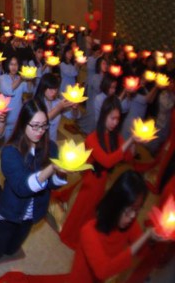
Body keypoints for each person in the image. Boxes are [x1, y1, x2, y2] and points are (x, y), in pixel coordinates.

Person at [0, 170, 165, 283]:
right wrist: (145, 237)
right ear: (116, 205)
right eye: (129, 210)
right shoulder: (90, 230)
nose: (133, 216)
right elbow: (103, 270)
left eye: (137, 210)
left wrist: (153, 236)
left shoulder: (130, 224)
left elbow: (140, 252)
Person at [0, 99, 67, 260]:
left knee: (10, 250)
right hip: (10, 212)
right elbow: (22, 188)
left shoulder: (51, 148)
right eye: (35, 125)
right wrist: (51, 168)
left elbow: (52, 185)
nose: (40, 131)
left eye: (44, 125)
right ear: (23, 124)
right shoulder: (10, 151)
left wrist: (61, 174)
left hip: (31, 214)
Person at [59, 96, 139, 249]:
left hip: (103, 182)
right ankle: (70, 237)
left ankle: (82, 237)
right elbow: (107, 161)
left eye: (118, 119)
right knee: (81, 211)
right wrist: (129, 141)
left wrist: (134, 141)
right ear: (104, 116)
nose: (115, 123)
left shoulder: (116, 137)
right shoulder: (92, 138)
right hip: (91, 180)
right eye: (112, 118)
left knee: (92, 212)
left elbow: (128, 157)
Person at [33, 73, 80, 143]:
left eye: (55, 89)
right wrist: (58, 108)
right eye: (50, 89)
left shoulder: (57, 102)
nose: (54, 92)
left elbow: (74, 116)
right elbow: (43, 120)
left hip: (52, 140)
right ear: (43, 88)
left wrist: (75, 108)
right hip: (38, 140)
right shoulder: (36, 102)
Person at [0, 56, 33, 141]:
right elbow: (8, 90)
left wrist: (30, 79)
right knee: (7, 142)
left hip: (18, 115)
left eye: (16, 64)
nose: (14, 67)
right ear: (7, 65)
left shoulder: (19, 78)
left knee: (18, 141)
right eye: (11, 64)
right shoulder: (2, 78)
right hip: (7, 117)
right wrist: (21, 78)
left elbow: (29, 90)